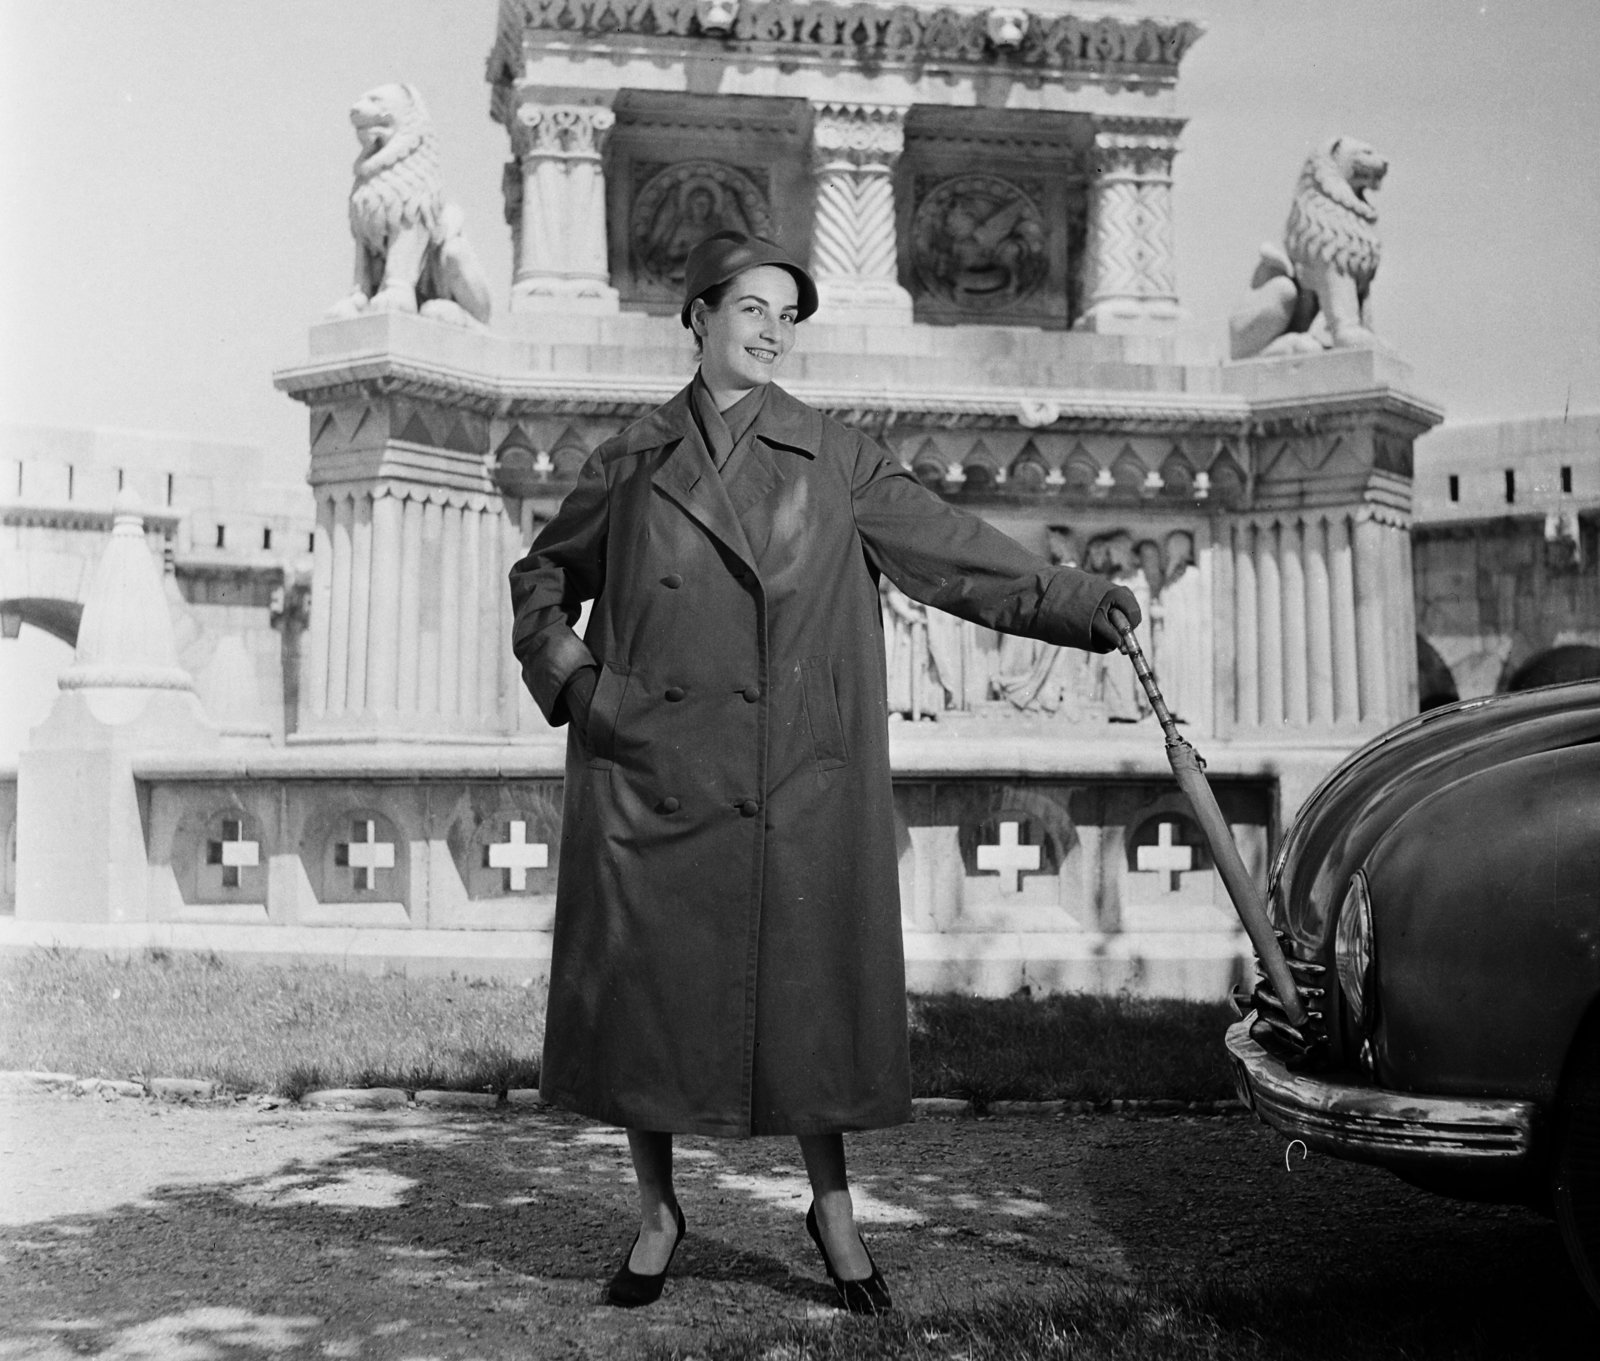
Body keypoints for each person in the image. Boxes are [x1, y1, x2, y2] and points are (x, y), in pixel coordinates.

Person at [507, 230, 1140, 1313]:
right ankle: (658, 1209)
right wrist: (580, 687)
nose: (770, 330)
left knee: (803, 998)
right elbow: (544, 575)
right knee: (651, 1001)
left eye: (787, 316)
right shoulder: (632, 455)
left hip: (790, 771)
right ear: (698, 317)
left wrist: (1078, 604)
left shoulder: (835, 456)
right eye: (751, 308)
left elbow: (953, 554)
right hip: (652, 766)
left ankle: (832, 1206)